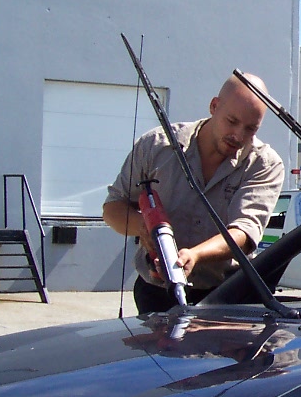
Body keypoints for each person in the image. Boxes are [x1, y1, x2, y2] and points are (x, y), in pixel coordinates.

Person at [104, 73, 284, 314]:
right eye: (231, 121)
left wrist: (195, 255)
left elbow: (245, 231)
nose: (238, 136)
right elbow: (113, 207)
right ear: (214, 106)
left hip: (227, 297)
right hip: (156, 293)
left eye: (250, 128)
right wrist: (144, 228)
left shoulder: (264, 164)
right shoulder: (157, 145)